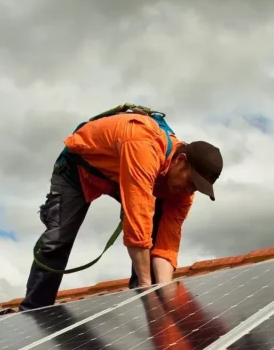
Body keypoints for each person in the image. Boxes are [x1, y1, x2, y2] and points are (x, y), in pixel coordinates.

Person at [18, 108, 223, 311]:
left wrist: (165, 293)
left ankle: (147, 310)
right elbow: (137, 220)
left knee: (155, 235)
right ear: (181, 160)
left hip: (120, 175)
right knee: (57, 241)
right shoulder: (144, 146)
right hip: (78, 169)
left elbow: (167, 245)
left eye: (197, 187)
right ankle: (35, 311)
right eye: (191, 182)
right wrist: (146, 287)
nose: (190, 190)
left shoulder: (183, 191)